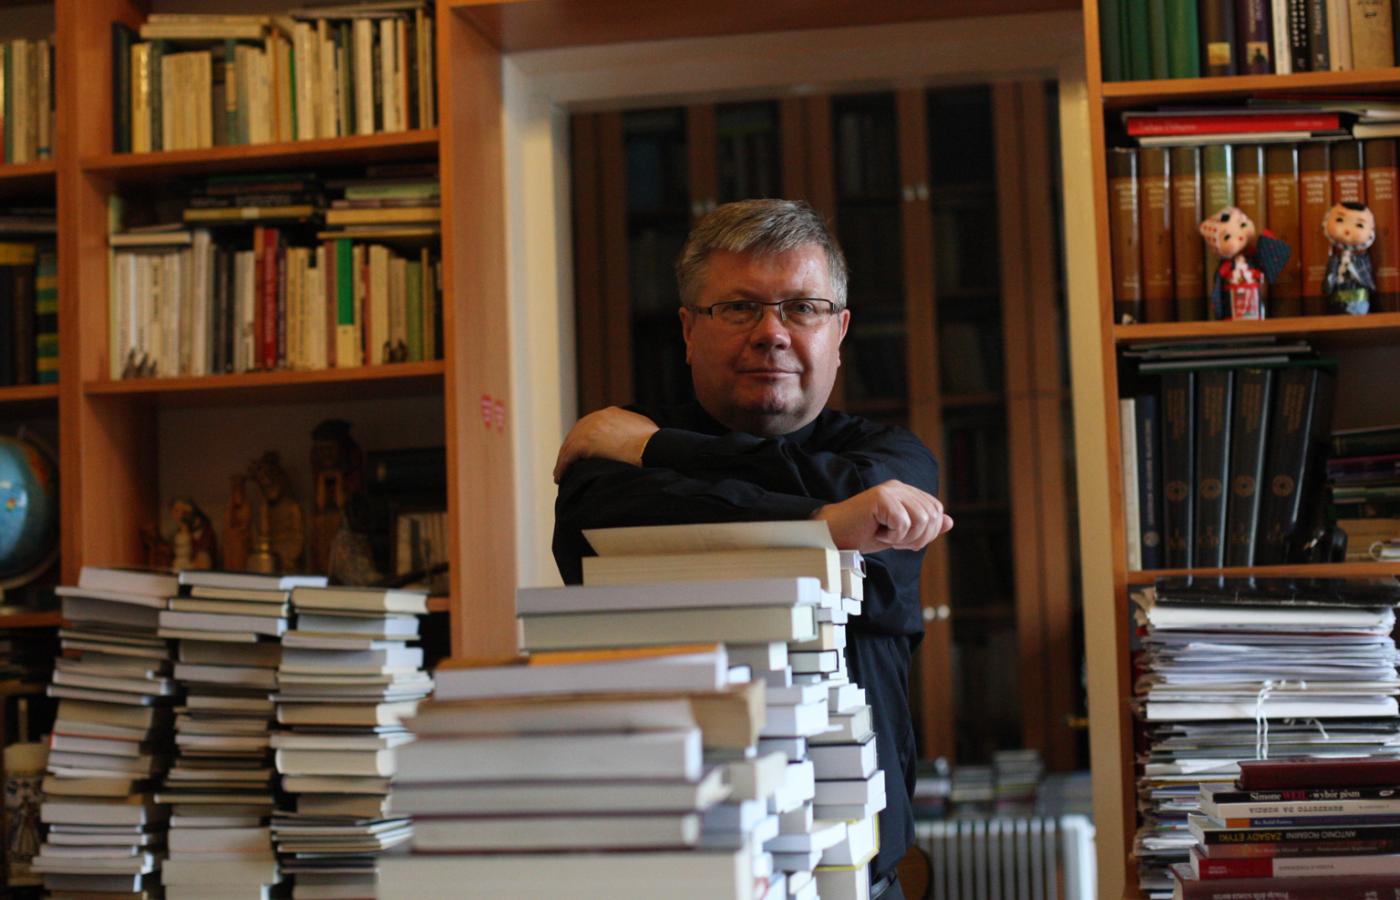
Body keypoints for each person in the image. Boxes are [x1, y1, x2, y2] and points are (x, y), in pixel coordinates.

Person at [552, 199, 952, 900]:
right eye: (739, 308)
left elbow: (875, 504)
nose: (771, 333)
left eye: (802, 308)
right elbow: (596, 528)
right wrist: (826, 521)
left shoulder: (890, 458)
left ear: (839, 331)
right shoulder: (609, 467)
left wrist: (658, 450)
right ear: (688, 330)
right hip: (674, 872)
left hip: (861, 878)